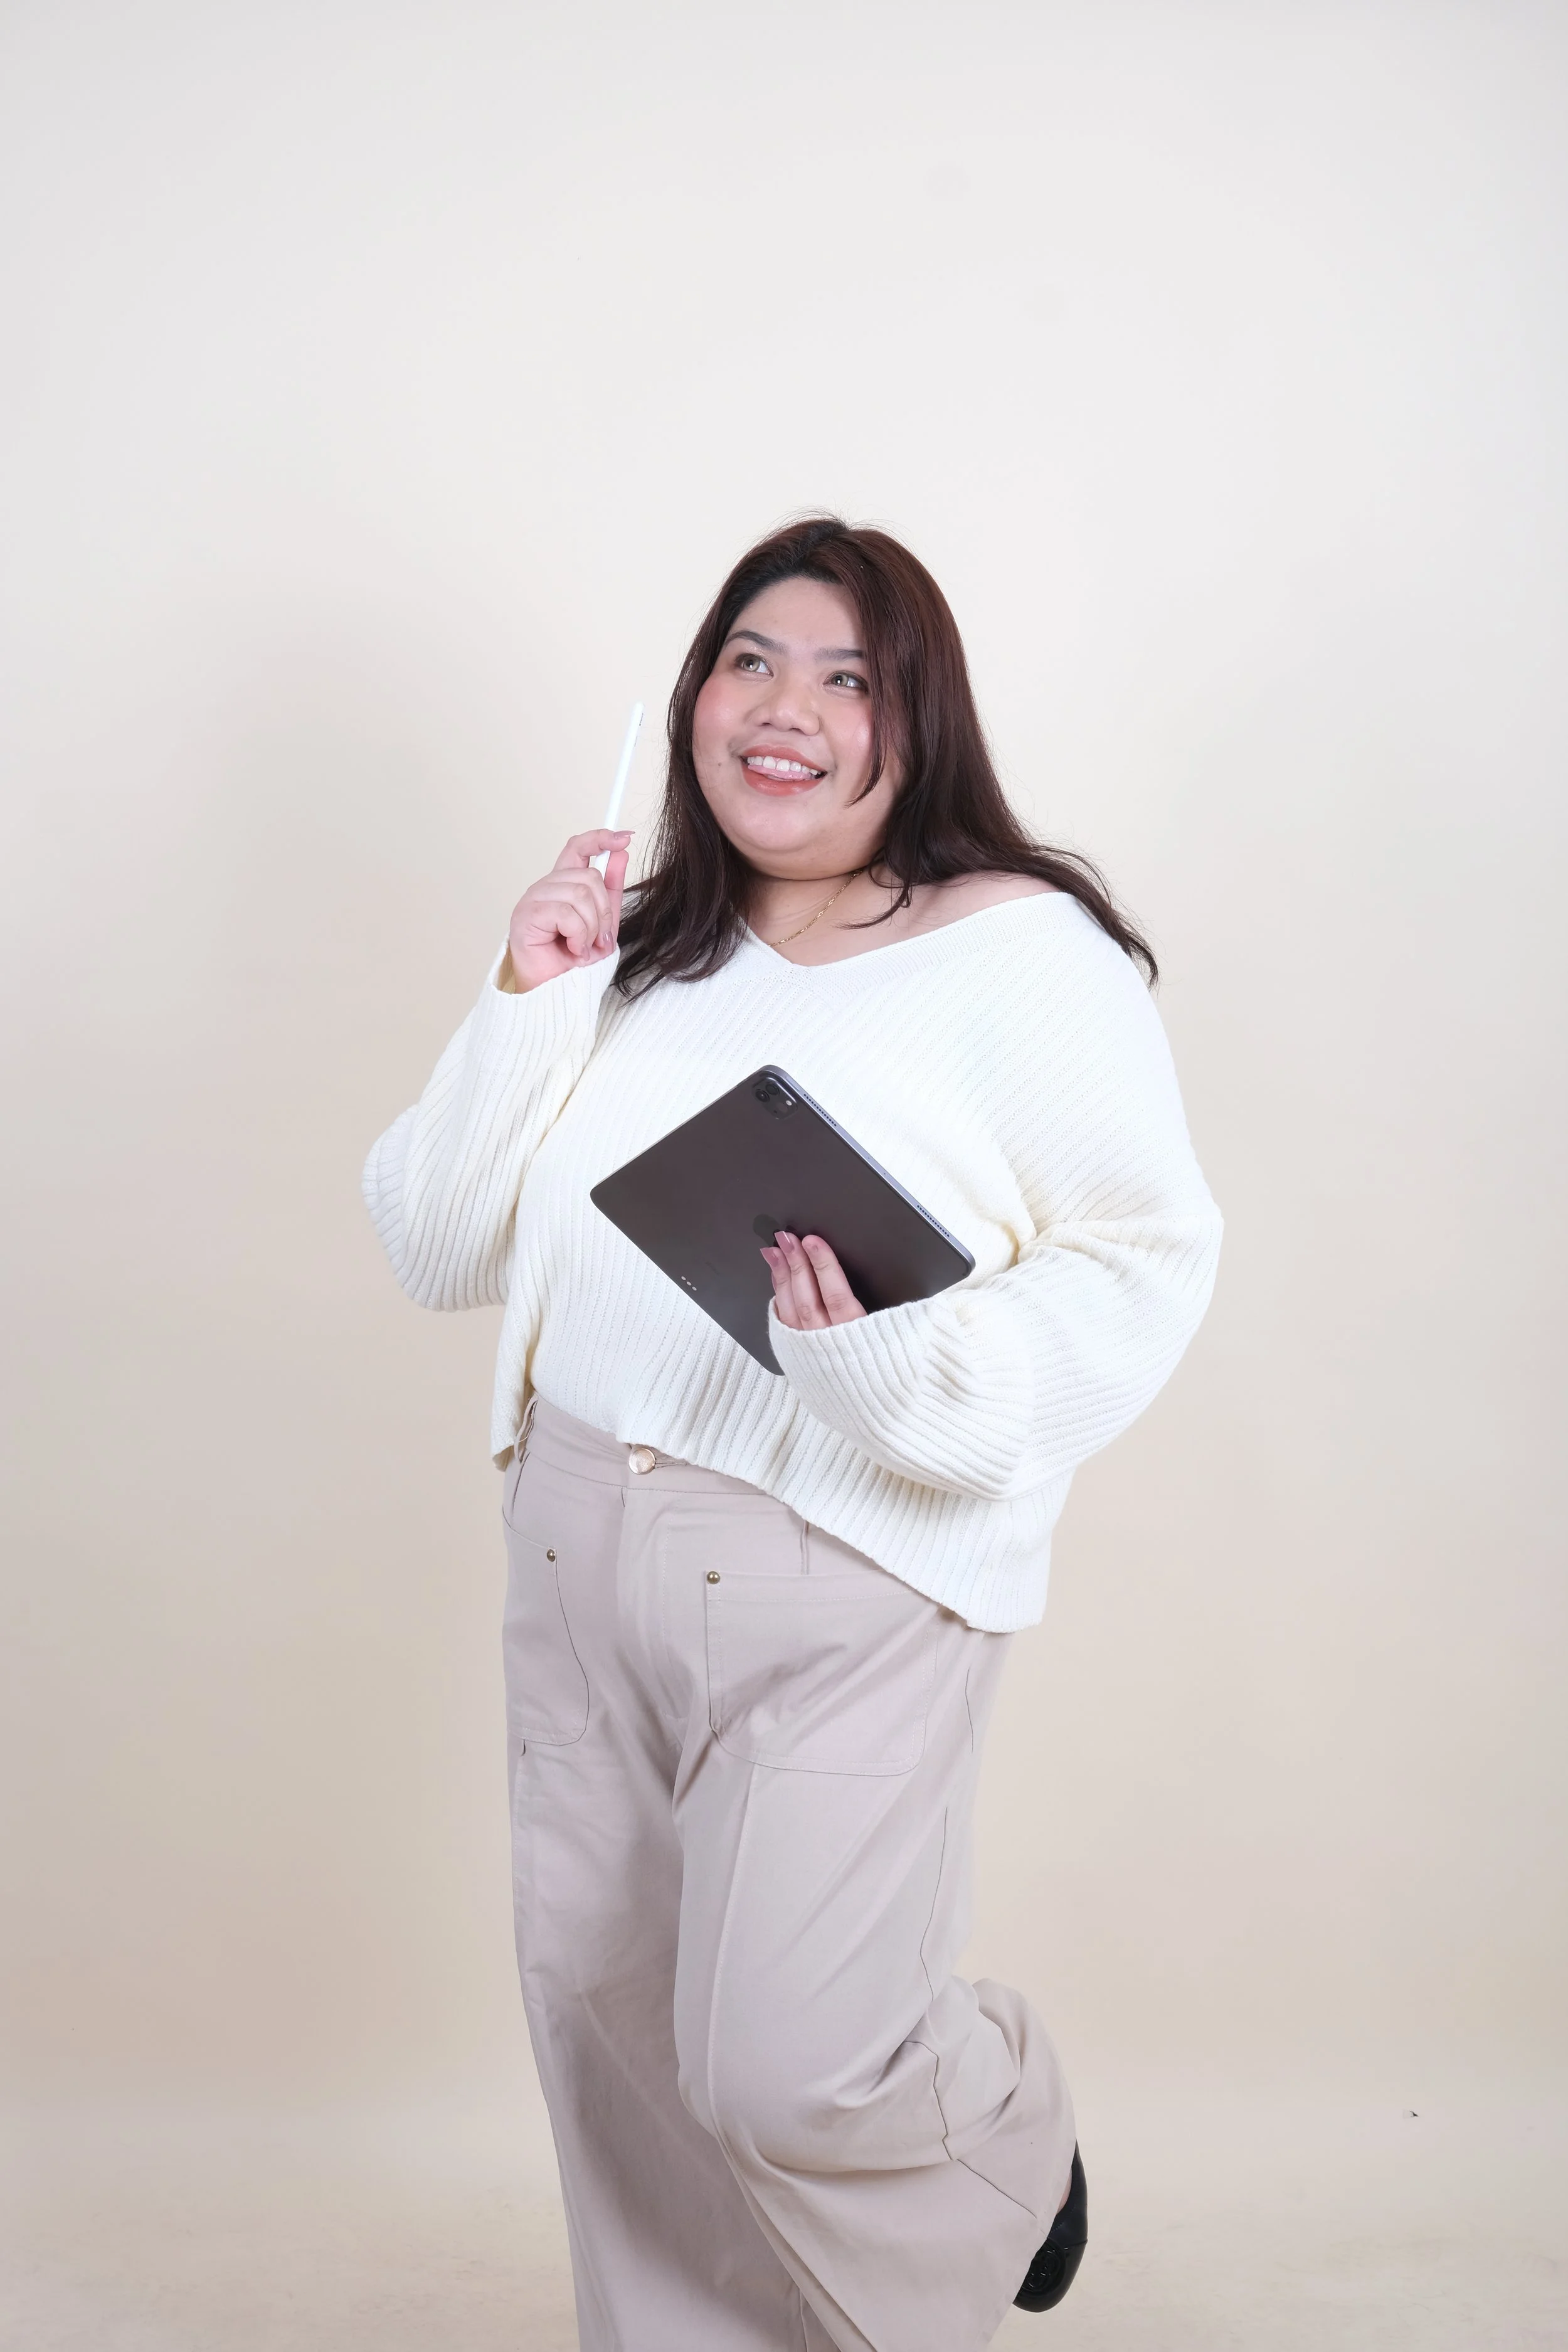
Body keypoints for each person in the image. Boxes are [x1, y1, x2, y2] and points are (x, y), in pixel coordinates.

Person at [363, 516, 1222, 2351]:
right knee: (610, 2027)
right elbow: (435, 1242)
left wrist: (894, 1370)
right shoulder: (645, 957)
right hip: (578, 1533)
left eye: (847, 677)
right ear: (691, 693)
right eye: (749, 658)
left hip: (853, 1560)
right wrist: (528, 993)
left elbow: (1142, 1261)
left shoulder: (1023, 952)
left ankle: (999, 2132)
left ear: (918, 722)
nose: (785, 709)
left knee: (781, 2064)